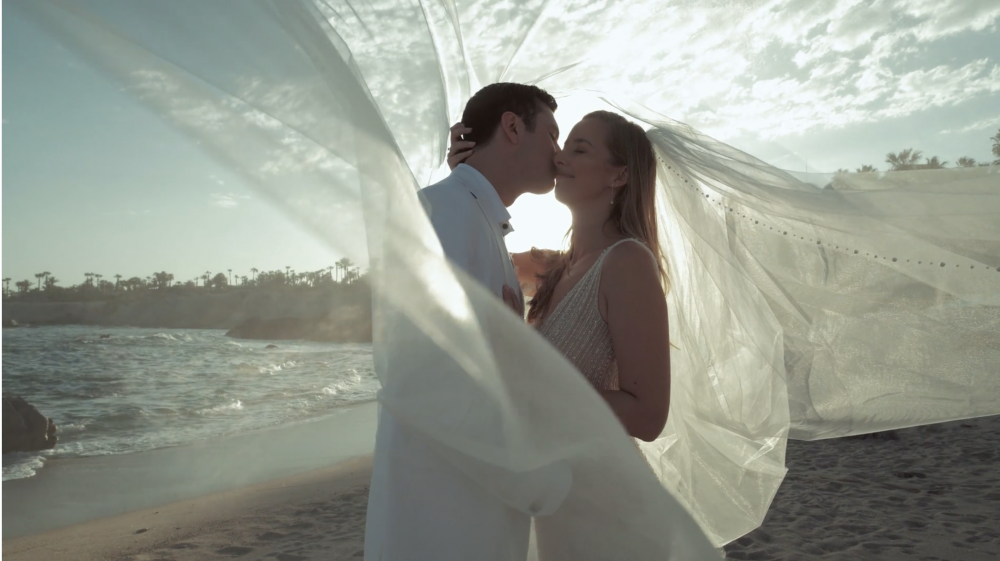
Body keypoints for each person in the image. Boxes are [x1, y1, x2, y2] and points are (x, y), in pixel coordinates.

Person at [447, 110, 672, 559]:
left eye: (579, 149)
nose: (560, 156)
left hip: (608, 509)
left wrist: (529, 380)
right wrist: (465, 176)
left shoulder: (627, 262)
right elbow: (463, 250)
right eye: (562, 144)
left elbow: (648, 416)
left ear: (620, 175)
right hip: (559, 503)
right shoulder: (556, 265)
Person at [363, 82, 566, 561]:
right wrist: (530, 474)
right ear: (513, 127)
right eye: (552, 136)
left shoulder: (477, 216)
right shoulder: (445, 211)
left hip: (475, 498)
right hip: (441, 511)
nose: (558, 153)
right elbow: (423, 373)